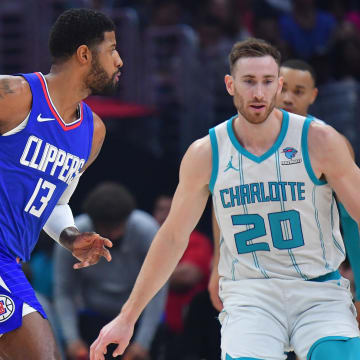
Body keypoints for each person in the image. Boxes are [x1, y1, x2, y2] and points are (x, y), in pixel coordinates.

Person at [90, 38, 360, 360]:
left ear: (279, 85)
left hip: (318, 288)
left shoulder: (320, 141)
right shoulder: (206, 153)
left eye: (267, 82)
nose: (258, 93)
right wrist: (127, 316)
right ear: (230, 85)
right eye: (249, 82)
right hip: (250, 294)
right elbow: (173, 237)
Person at [0, 8, 122, 359]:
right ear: (85, 54)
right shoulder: (14, 95)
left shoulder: (92, 133)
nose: (119, 59)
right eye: (111, 49)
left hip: (11, 258)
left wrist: (69, 236)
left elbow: (54, 202)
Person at [55, 182, 166, 360]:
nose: (111, 236)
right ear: (92, 221)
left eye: (116, 227)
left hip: (136, 319)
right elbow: (64, 292)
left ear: (128, 219)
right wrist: (72, 340)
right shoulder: (74, 235)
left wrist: (142, 343)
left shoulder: (146, 231)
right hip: (92, 319)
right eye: (105, 228)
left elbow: (158, 289)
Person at [152, 194, 213, 359]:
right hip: (147, 330)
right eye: (160, 210)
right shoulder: (146, 239)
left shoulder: (196, 240)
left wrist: (144, 274)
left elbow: (187, 277)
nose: (165, 215)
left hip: (183, 335)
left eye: (170, 210)